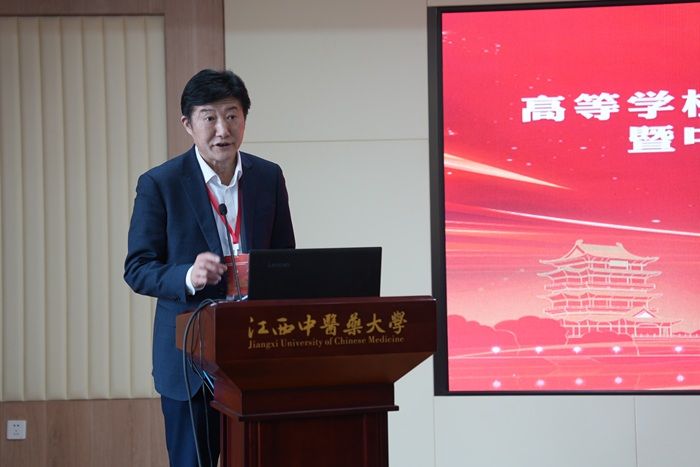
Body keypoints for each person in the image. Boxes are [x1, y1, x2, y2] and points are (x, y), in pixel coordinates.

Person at [124, 69, 295, 467]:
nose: (223, 129)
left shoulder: (268, 177)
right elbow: (138, 268)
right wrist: (187, 275)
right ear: (188, 124)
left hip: (255, 356)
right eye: (210, 117)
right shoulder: (160, 183)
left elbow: (285, 258)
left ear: (245, 118)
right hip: (190, 360)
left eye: (232, 115)